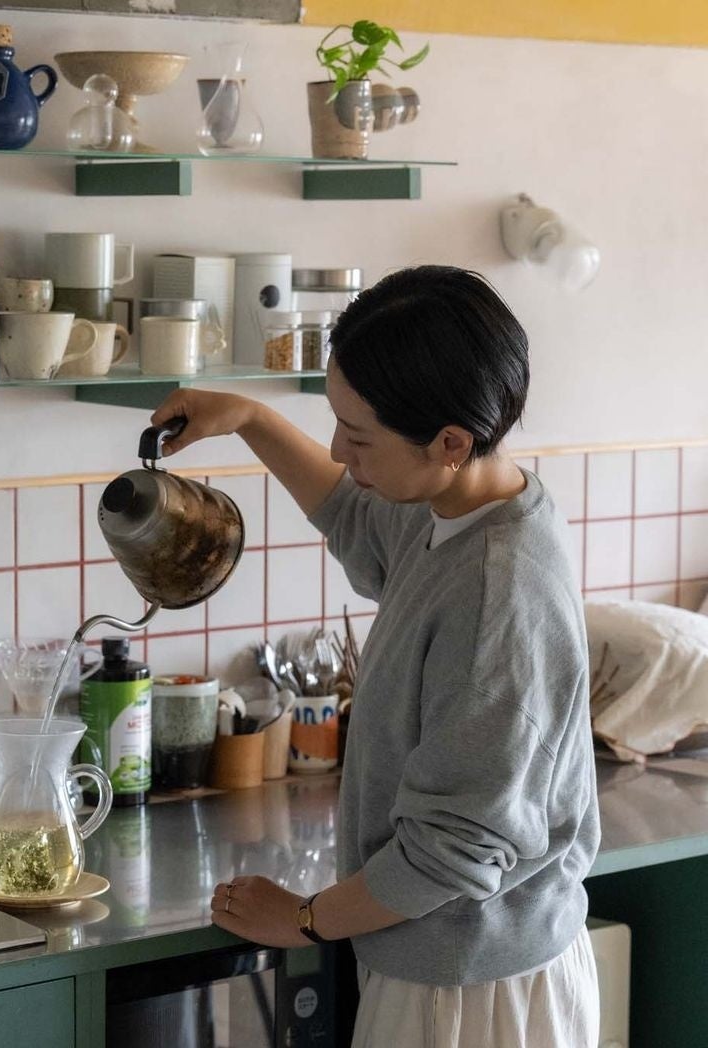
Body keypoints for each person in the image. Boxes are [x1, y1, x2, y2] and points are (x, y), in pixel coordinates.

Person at [149, 265, 601, 1047]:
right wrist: (251, 419)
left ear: (450, 441)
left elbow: (451, 854)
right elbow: (355, 513)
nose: (338, 448)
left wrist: (303, 918)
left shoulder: (497, 591)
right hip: (448, 964)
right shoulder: (463, 505)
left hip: (473, 995)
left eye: (358, 437)